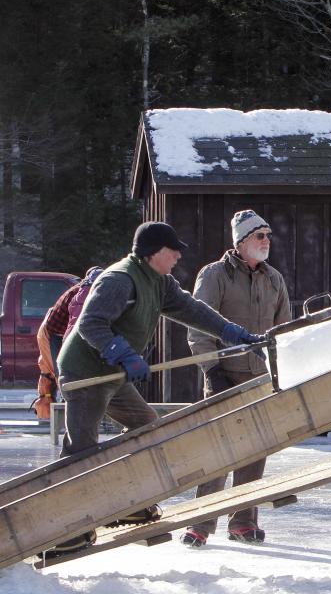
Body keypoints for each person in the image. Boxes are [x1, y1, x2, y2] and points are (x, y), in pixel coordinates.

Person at [48, 222, 263, 556]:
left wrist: (232, 333)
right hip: (86, 373)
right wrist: (122, 352)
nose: (178, 255)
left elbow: (191, 309)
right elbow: (91, 323)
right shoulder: (119, 279)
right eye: (173, 249)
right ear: (154, 252)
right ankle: (65, 530)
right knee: (82, 450)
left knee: (148, 430)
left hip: (112, 373)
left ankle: (129, 504)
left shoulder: (159, 282)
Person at [180, 210, 291, 549]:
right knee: (217, 452)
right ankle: (200, 523)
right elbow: (197, 327)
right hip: (224, 376)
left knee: (255, 452)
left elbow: (284, 329)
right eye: (260, 236)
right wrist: (212, 372)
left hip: (260, 378)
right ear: (241, 242)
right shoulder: (215, 275)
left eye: (268, 236)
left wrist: (282, 367)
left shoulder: (274, 279)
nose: (266, 242)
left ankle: (243, 521)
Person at [34, 266, 103, 419]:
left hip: (59, 330)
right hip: (53, 333)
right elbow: (76, 328)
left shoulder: (89, 290)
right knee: (64, 374)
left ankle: (66, 414)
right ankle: (59, 416)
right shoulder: (85, 293)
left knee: (65, 374)